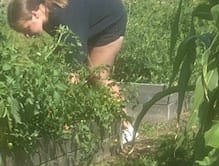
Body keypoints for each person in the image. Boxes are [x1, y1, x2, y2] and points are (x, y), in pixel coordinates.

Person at [6, 0, 134, 144]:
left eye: (26, 29)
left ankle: (127, 128)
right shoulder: (47, 15)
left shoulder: (64, 16)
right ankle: (97, 123)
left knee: (98, 77)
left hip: (109, 21)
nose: (26, 36)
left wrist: (63, 112)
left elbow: (74, 67)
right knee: (76, 74)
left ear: (34, 14)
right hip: (86, 21)